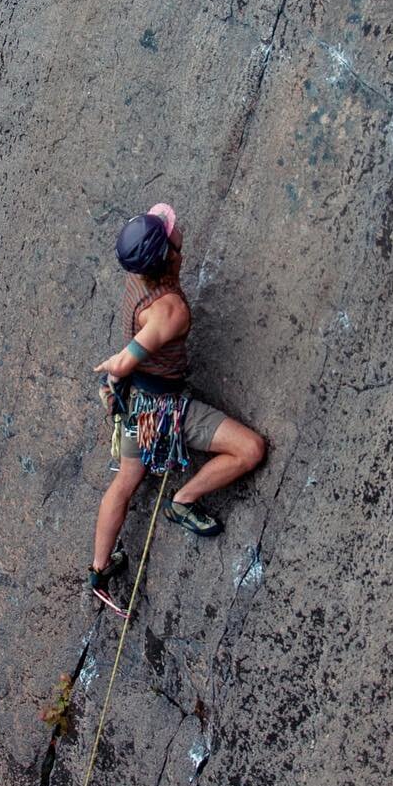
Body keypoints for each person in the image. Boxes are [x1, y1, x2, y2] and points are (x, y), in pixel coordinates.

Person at [88, 203, 266, 599]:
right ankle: (183, 501)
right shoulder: (171, 312)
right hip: (160, 409)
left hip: (136, 399)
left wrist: (118, 380)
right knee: (250, 449)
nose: (176, 227)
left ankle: (99, 570)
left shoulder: (138, 276)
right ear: (167, 253)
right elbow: (135, 351)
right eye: (170, 231)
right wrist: (117, 367)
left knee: (126, 482)